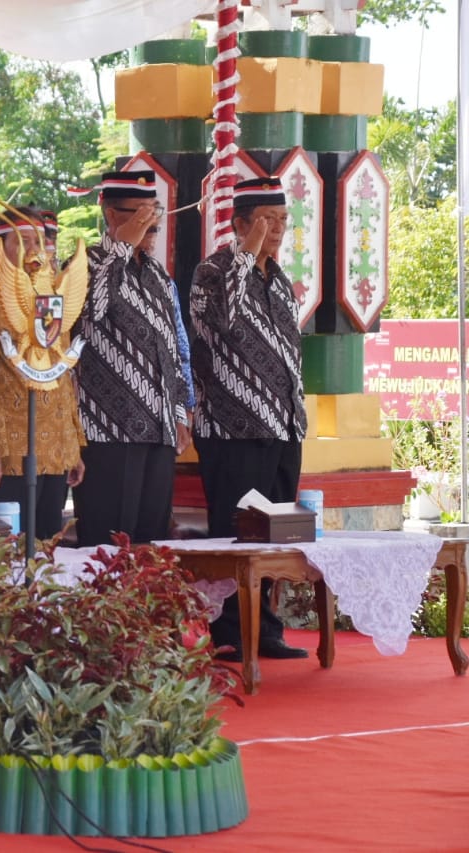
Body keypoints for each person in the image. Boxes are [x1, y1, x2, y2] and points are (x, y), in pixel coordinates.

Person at [191, 177, 308, 661]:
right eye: (266, 221)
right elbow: (221, 320)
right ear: (240, 223)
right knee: (235, 532)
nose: (277, 230)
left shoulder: (278, 280)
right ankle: (230, 635)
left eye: (282, 221)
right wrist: (245, 255)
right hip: (233, 428)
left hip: (282, 425)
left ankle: (268, 629)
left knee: (278, 535)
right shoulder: (212, 272)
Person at [72, 170, 189, 547]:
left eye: (153, 215)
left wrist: (178, 412)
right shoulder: (85, 264)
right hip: (109, 430)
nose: (149, 225)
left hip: (159, 429)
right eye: (139, 216)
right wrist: (120, 249)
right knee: (108, 548)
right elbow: (92, 309)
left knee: (150, 547)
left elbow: (172, 347)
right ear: (110, 215)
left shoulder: (158, 275)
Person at [0, 209, 85, 539]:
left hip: (55, 452)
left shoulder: (51, 300)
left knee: (48, 552)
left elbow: (63, 377)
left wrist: (72, 448)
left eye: (40, 242)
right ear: (1, 246)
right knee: (9, 556)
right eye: (24, 241)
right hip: (9, 455)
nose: (35, 249)